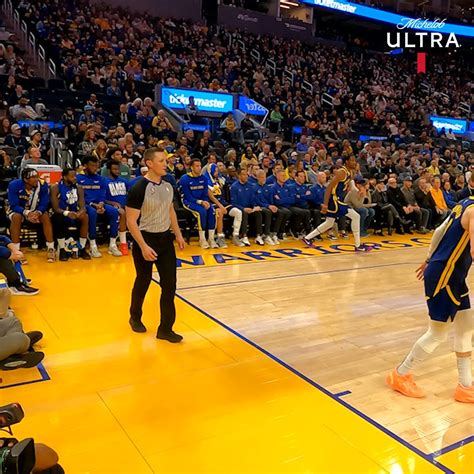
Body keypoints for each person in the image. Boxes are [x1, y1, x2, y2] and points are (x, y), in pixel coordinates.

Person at [387, 198, 474, 403]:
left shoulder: (466, 202)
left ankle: (465, 386)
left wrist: (429, 258)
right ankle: (400, 374)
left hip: (452, 276)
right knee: (437, 333)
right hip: (444, 277)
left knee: (466, 327)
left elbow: (439, 231)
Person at [126, 148, 185, 343]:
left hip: (165, 240)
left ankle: (165, 329)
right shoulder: (138, 188)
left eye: (165, 161)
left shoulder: (168, 186)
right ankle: (135, 316)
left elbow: (170, 211)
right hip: (145, 239)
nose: (165, 164)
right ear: (149, 163)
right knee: (143, 280)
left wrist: (178, 235)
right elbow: (131, 221)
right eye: (161, 161)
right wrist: (143, 246)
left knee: (170, 285)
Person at [302, 155, 372, 252]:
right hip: (334, 200)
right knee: (356, 216)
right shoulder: (341, 172)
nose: (355, 162)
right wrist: (325, 204)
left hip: (338, 199)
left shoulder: (350, 172)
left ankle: (307, 238)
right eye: (352, 160)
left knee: (329, 222)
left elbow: (350, 186)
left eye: (355, 160)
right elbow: (329, 188)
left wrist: (357, 191)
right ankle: (358, 245)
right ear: (346, 162)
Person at [7, 168, 56, 263]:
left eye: (37, 176)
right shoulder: (14, 185)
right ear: (25, 179)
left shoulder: (42, 184)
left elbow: (44, 203)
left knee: (45, 215)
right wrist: (27, 213)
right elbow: (14, 205)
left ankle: (51, 248)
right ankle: (16, 251)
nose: (37, 179)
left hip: (35, 211)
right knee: (16, 217)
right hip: (18, 211)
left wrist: (38, 212)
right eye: (33, 177)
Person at [76, 156, 121, 258]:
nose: (95, 168)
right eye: (92, 166)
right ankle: (93, 245)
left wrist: (100, 204)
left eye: (96, 166)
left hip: (100, 204)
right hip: (86, 205)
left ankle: (112, 244)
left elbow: (102, 194)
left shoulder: (101, 179)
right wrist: (93, 205)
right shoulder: (78, 178)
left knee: (114, 211)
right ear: (85, 166)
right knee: (92, 212)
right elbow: (79, 197)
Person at [50, 168, 91, 261]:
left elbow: (83, 206)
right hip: (61, 213)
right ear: (64, 177)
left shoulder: (79, 188)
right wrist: (67, 213)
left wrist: (79, 213)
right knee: (58, 218)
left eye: (75, 176)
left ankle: (82, 248)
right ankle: (62, 249)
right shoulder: (55, 188)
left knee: (85, 216)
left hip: (74, 214)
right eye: (72, 176)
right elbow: (55, 208)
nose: (75, 178)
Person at [178, 159, 218, 249]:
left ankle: (211, 239)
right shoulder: (184, 178)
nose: (199, 168)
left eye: (200, 166)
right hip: (188, 201)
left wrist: (206, 202)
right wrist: (200, 202)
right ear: (191, 167)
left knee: (212, 210)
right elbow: (188, 196)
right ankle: (202, 239)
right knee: (202, 212)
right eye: (197, 166)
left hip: (202, 201)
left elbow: (205, 194)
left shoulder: (203, 178)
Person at [230, 168, 264, 246]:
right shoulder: (234, 187)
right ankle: (244, 236)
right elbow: (233, 203)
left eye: (247, 175)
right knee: (243, 213)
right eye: (244, 175)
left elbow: (253, 199)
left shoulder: (250, 186)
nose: (246, 176)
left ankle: (258, 236)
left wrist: (254, 207)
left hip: (249, 208)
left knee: (258, 213)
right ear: (239, 176)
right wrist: (243, 208)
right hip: (239, 209)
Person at [105, 161, 130, 255]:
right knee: (121, 212)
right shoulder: (105, 181)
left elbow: (132, 191)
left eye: (118, 169)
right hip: (111, 207)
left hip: (125, 206)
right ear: (109, 170)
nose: (117, 171)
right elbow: (101, 198)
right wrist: (112, 203)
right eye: (114, 169)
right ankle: (123, 243)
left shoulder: (124, 181)